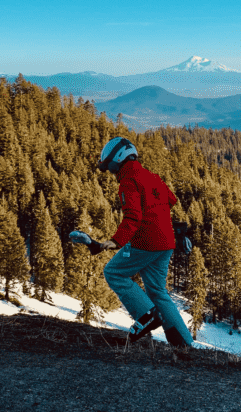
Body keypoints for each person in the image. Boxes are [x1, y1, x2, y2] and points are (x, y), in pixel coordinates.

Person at [94, 136, 194, 350]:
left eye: (111, 167)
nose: (112, 173)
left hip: (146, 241)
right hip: (166, 241)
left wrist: (114, 242)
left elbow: (132, 218)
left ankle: (146, 315)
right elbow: (171, 199)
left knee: (113, 272)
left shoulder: (128, 181)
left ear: (118, 159)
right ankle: (184, 343)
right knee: (158, 291)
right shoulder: (152, 177)